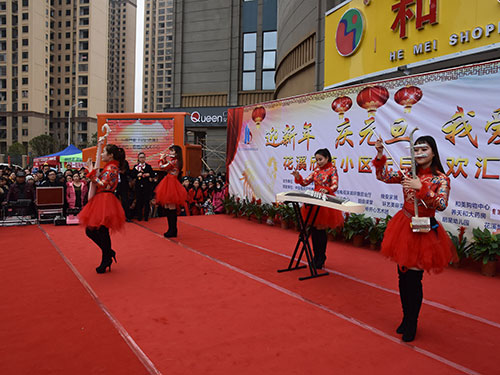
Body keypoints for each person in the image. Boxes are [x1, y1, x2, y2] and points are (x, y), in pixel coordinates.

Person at [373, 135, 455, 342]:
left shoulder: (441, 179)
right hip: (404, 225)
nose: (419, 154)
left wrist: (422, 188)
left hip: (424, 230)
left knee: (414, 279)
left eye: (423, 150)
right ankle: (406, 317)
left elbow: (442, 204)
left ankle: (412, 322)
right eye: (416, 150)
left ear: (433, 152)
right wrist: (380, 153)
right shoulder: (408, 173)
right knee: (402, 276)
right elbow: (382, 176)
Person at [291, 148, 344, 269]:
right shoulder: (316, 171)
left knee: (321, 230)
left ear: (327, 158)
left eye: (320, 159)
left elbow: (335, 185)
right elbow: (305, 182)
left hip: (325, 201)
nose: (318, 162)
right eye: (317, 160)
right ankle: (315, 257)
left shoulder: (332, 169)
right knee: (314, 230)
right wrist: (298, 176)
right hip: (314, 200)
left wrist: (327, 189)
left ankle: (321, 257)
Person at [78, 144, 126, 274]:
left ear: (110, 155)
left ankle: (106, 258)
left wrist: (90, 172)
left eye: (104, 152)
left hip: (105, 200)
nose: (101, 154)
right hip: (102, 200)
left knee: (100, 231)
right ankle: (108, 253)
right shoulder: (110, 167)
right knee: (95, 231)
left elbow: (102, 184)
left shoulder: (112, 168)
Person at [154, 145, 187, 238]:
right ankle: (171, 229)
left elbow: (162, 167)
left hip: (171, 184)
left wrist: (161, 159)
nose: (170, 153)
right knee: (168, 207)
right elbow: (167, 167)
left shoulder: (175, 161)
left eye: (172, 151)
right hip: (169, 182)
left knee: (171, 207)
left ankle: (173, 230)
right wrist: (164, 160)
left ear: (176, 153)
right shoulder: (175, 161)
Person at [131, 152, 154, 221]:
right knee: (139, 201)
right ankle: (139, 216)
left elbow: (153, 174)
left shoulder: (148, 166)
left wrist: (148, 174)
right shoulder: (136, 167)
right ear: (138, 158)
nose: (142, 159)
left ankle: (146, 217)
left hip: (146, 186)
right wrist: (137, 175)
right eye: (140, 157)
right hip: (138, 186)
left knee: (146, 201)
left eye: (143, 157)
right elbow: (132, 175)